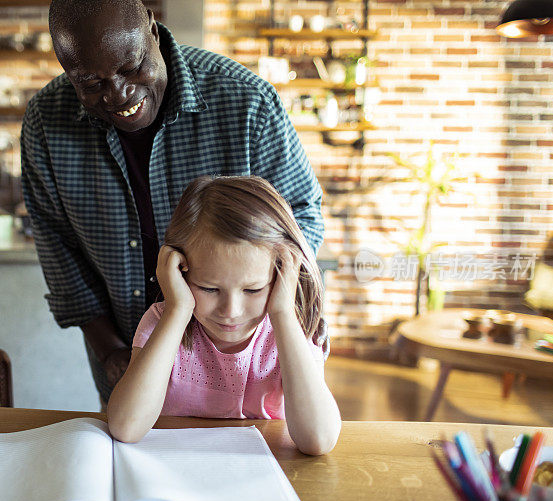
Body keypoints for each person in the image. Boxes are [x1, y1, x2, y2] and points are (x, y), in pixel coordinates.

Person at [21, 0, 327, 406]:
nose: (118, 94)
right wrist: (112, 352)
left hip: (246, 360)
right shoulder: (45, 121)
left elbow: (301, 219)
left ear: (151, 25)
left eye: (131, 68)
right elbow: (56, 244)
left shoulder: (246, 102)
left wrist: (290, 309)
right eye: (90, 84)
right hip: (122, 353)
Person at [107, 176, 341, 456]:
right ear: (180, 272)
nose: (231, 311)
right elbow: (126, 427)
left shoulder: (294, 327)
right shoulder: (162, 322)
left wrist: (282, 313)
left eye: (253, 289)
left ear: (281, 275)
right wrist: (178, 309)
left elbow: (319, 440)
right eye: (209, 288)